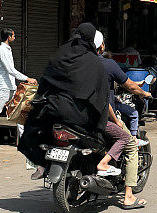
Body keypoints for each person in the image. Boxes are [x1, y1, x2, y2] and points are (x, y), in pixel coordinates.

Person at [18, 22, 109, 169]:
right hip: (79, 116)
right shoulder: (95, 63)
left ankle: (41, 165)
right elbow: (102, 95)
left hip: (54, 110)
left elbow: (44, 85)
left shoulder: (59, 56)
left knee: (36, 128)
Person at [95, 32, 151, 209]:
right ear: (102, 46)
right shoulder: (107, 64)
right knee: (130, 144)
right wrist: (143, 93)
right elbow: (125, 87)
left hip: (81, 117)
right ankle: (128, 196)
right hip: (103, 117)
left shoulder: (80, 63)